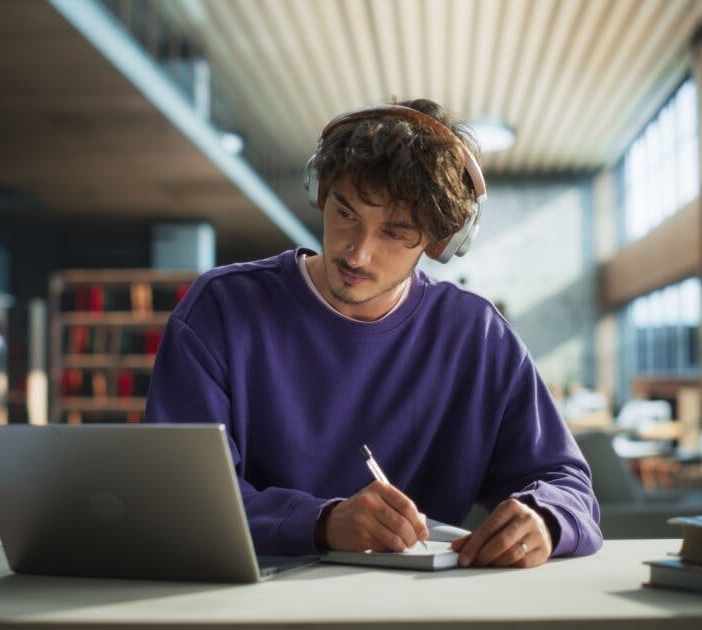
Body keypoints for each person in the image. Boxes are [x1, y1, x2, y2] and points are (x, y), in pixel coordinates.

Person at [144, 98, 601, 567]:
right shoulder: (220, 310)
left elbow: (568, 486)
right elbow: (178, 499)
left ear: (440, 242)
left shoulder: (478, 338)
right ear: (321, 191)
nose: (358, 254)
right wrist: (321, 523)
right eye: (346, 214)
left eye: (395, 232)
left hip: (415, 611)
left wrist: (544, 520)